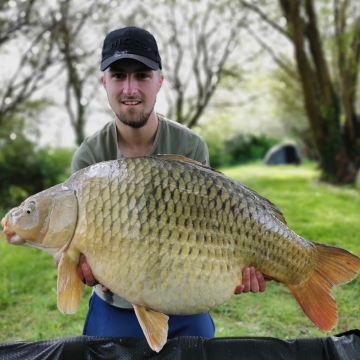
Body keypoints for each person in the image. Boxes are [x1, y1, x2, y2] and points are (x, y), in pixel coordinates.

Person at [72, 26, 267, 340]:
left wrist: (237, 268)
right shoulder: (89, 157)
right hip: (115, 303)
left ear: (160, 81)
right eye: (119, 75)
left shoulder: (189, 146)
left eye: (143, 75)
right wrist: (81, 268)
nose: (130, 89)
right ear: (104, 82)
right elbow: (73, 252)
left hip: (183, 297)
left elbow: (212, 231)